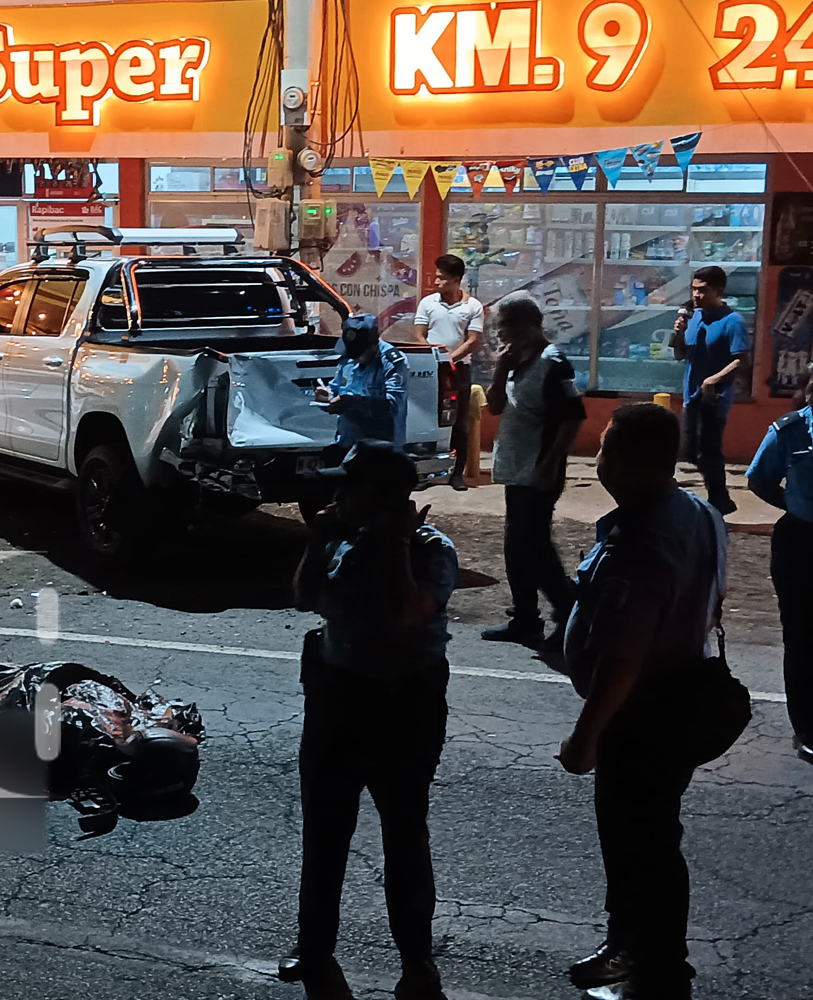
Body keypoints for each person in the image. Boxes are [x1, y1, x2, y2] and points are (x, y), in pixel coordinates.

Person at [559, 403, 738, 1000]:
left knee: (638, 841)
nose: (598, 458)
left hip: (642, 714)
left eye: (606, 448)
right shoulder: (701, 512)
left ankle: (650, 962)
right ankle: (640, 951)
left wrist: (587, 736)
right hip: (681, 692)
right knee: (653, 836)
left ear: (633, 460)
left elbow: (623, 657)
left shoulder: (642, 538)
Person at [281, 439, 458, 1000]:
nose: (335, 496)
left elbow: (409, 614)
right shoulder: (341, 541)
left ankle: (417, 962)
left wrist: (397, 541)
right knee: (325, 833)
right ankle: (314, 950)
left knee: (404, 833)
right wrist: (319, 536)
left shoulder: (430, 549)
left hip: (403, 706)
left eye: (348, 487)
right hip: (338, 699)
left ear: (381, 498)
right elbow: (305, 597)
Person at [481, 294, 585, 648]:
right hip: (515, 467)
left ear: (527, 325)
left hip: (539, 468)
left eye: (506, 326)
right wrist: (499, 370)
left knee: (536, 547)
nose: (502, 333)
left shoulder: (553, 362)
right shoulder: (515, 360)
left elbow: (573, 418)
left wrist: (551, 463)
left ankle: (569, 613)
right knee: (516, 545)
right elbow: (494, 407)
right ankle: (525, 617)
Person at [746, 397, 813, 765]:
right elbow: (759, 477)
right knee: (801, 636)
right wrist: (795, 503)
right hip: (801, 540)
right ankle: (806, 729)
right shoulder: (792, 430)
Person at [670, 266, 750, 515]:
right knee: (691, 450)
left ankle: (720, 499)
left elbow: (742, 360)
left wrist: (713, 380)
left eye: (702, 290)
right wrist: (680, 334)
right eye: (694, 289)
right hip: (691, 395)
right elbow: (680, 354)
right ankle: (719, 497)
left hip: (714, 398)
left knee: (709, 449)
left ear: (719, 291)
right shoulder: (693, 318)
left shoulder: (733, 321)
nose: (696, 295)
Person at [413, 254, 484, 490]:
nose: (436, 282)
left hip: (459, 371)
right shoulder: (428, 303)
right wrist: (437, 359)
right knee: (429, 420)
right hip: (431, 370)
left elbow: (472, 340)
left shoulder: (472, 306)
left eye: (442, 278)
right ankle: (427, 473)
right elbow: (418, 335)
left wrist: (450, 360)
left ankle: (457, 474)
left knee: (459, 422)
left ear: (456, 280)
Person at [314, 313, 409, 448]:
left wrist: (352, 402)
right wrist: (327, 396)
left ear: (374, 345)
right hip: (347, 442)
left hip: (380, 449)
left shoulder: (392, 362)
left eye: (359, 354)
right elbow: (337, 389)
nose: (355, 359)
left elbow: (393, 406)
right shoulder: (348, 359)